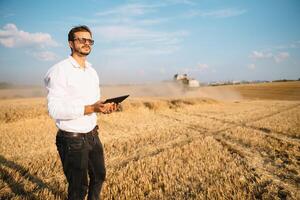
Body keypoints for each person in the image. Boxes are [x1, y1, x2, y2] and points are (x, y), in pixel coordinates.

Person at [44, 25, 117, 200]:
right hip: (72, 139)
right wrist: (91, 108)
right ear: (70, 43)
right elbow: (54, 109)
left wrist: (104, 108)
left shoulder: (92, 71)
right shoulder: (59, 71)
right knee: (78, 189)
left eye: (89, 40)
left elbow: (94, 103)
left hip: (92, 135)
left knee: (99, 176)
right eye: (81, 39)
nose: (86, 43)